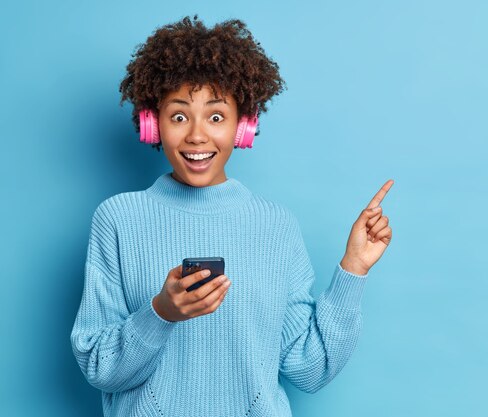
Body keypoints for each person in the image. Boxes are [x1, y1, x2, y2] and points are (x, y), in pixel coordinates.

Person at [70, 14, 393, 416]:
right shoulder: (117, 219)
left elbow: (311, 369)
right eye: (179, 116)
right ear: (152, 124)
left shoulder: (276, 226)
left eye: (217, 116)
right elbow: (100, 366)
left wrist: (354, 268)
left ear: (245, 126)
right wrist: (161, 314)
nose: (197, 136)